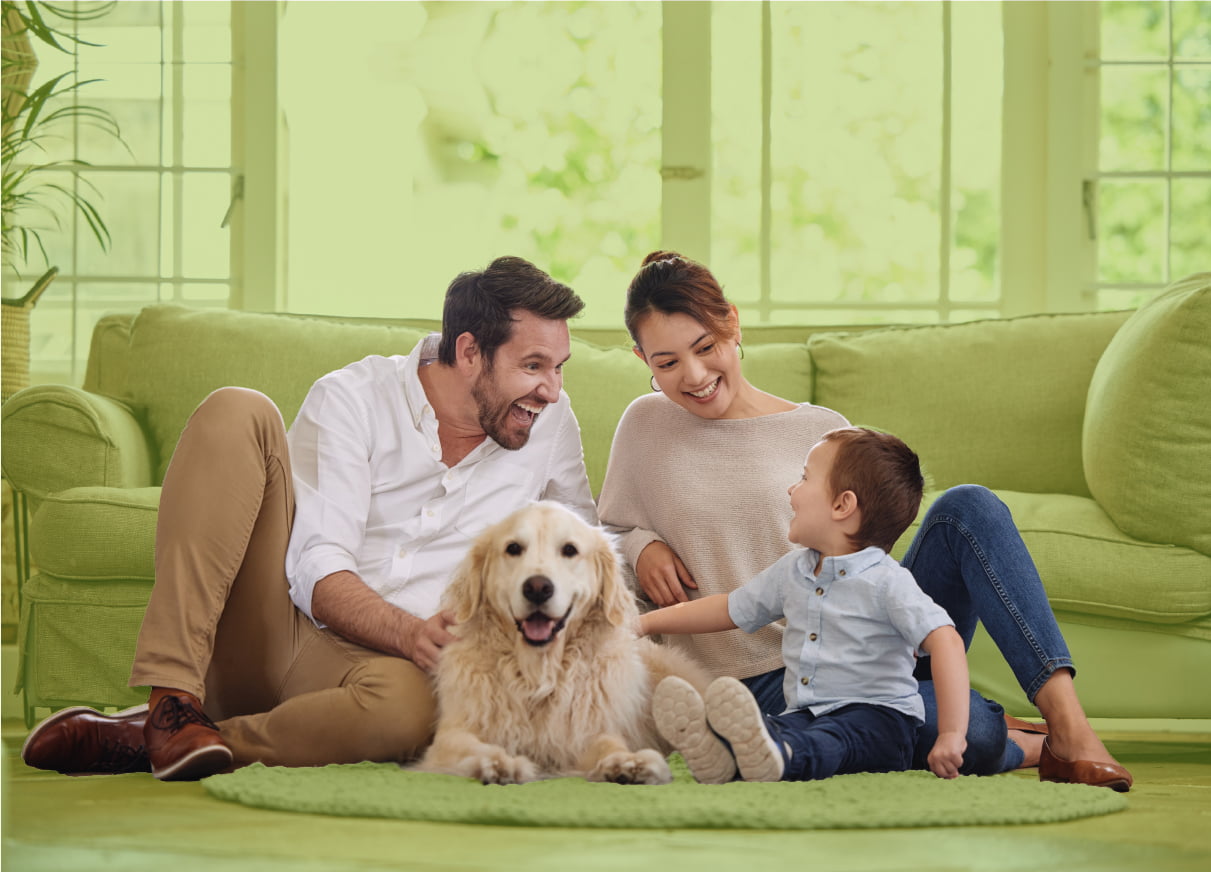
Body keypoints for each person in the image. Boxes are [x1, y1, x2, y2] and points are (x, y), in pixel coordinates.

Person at [21, 256, 598, 781]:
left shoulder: (548, 420)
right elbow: (319, 570)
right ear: (470, 352)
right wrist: (411, 631)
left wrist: (642, 548)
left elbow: (586, 546)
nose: (550, 389)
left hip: (382, 673)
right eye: (533, 366)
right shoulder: (354, 398)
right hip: (278, 625)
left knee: (410, 715)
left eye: (559, 368)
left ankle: (172, 741)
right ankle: (170, 702)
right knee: (237, 410)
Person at [597, 250, 1132, 791]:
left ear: (731, 323)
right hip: (763, 682)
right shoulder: (645, 426)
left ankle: (1069, 727)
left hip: (870, 653)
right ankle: (1011, 735)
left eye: (705, 347)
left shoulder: (825, 431)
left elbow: (872, 565)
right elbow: (601, 539)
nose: (693, 375)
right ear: (643, 359)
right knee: (971, 732)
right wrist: (642, 546)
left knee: (970, 507)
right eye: (666, 363)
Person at [644, 427, 970, 784]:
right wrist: (646, 624)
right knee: (772, 726)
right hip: (806, 712)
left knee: (832, 740)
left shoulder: (887, 581)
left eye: (804, 477)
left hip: (880, 720)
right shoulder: (794, 570)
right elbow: (729, 609)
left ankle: (781, 756)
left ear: (842, 505)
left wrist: (951, 734)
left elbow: (946, 640)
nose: (791, 488)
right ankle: (724, 751)